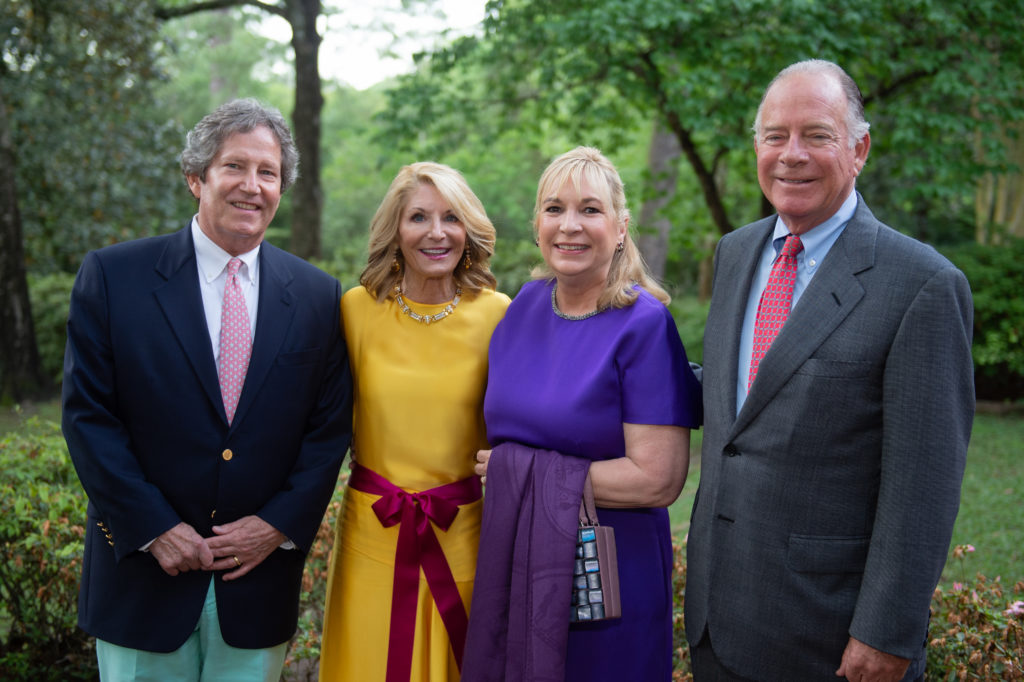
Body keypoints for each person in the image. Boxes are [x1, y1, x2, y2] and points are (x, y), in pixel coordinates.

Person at [684, 60, 974, 681]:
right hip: (717, 617)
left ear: (859, 148)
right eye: (774, 136)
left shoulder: (922, 285)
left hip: (830, 638)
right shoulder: (735, 252)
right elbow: (741, 400)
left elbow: (924, 484)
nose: (791, 155)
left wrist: (887, 633)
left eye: (816, 135)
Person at [61, 98, 353, 681]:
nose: (252, 186)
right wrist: (153, 529)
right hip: (144, 580)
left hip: (257, 587)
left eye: (267, 172)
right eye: (234, 167)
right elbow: (89, 417)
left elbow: (328, 432)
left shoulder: (320, 297)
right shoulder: (114, 277)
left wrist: (276, 525)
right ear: (196, 178)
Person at [466, 146, 702, 681]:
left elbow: (658, 479)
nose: (569, 225)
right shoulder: (521, 306)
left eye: (590, 210)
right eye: (554, 209)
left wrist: (516, 473)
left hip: (609, 574)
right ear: (536, 224)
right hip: (518, 558)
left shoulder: (642, 324)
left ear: (621, 227)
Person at [317, 162, 510, 682]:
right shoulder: (356, 310)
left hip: (462, 531)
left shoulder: (497, 314)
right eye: (418, 217)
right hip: (371, 534)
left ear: (468, 230)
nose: (436, 232)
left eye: (451, 217)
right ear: (395, 230)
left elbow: (516, 426)